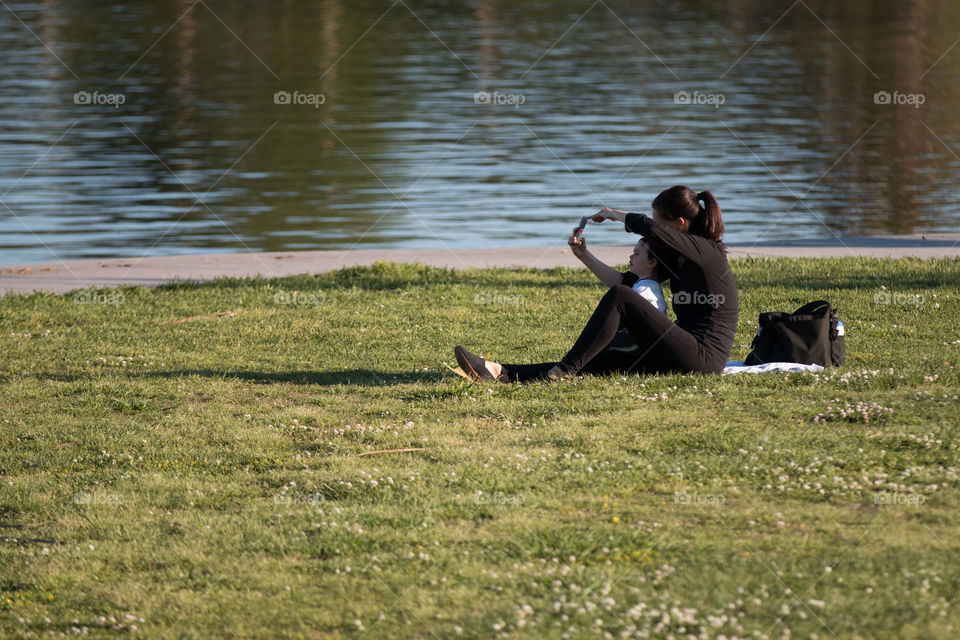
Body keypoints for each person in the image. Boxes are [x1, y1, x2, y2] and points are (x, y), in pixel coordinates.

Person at [454, 185, 739, 382]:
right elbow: (626, 281)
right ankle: (500, 372)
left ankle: (563, 371)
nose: (656, 232)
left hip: (702, 358)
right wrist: (584, 255)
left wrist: (614, 214)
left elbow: (624, 289)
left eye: (660, 224)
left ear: (678, 224)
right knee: (605, 360)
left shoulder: (707, 253)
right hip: (682, 351)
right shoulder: (678, 258)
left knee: (620, 298)